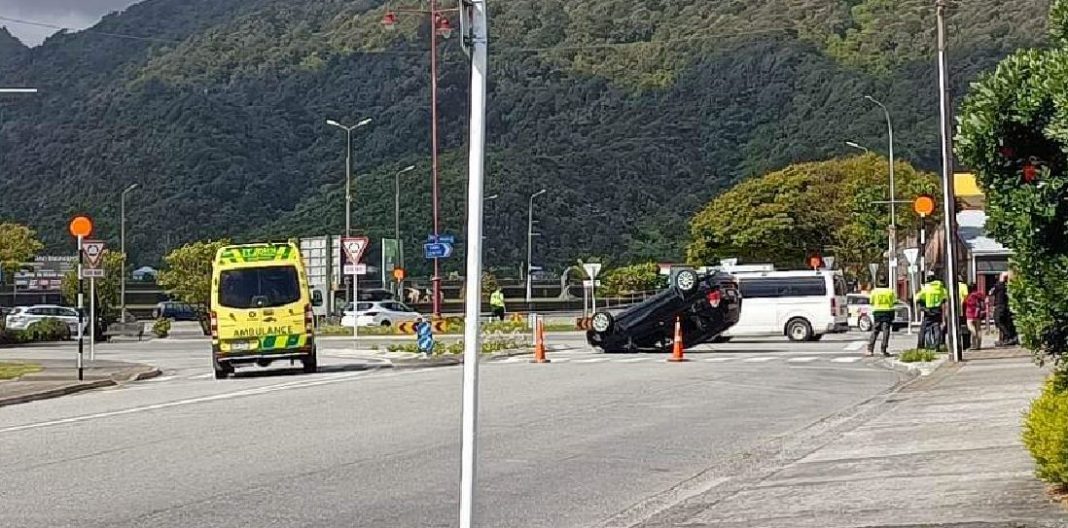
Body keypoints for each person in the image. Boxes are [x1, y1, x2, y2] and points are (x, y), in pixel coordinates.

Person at [916, 272, 948, 349]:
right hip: (938, 310)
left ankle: (920, 346)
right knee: (937, 327)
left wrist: (921, 304)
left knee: (923, 329)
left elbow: (917, 297)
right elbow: (945, 298)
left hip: (928, 310)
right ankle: (937, 346)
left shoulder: (926, 288)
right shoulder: (941, 288)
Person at [867, 284, 897, 357]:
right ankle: (883, 350)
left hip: (877, 313)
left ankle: (870, 350)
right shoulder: (890, 292)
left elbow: (871, 302)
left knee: (875, 331)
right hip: (887, 312)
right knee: (886, 332)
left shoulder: (874, 292)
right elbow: (895, 302)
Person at [989, 272, 1018, 346]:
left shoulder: (999, 285)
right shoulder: (1007, 286)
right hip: (1005, 306)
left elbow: (991, 292)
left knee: (998, 320)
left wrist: (1001, 278)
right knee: (1004, 322)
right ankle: (1006, 338)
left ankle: (1008, 335)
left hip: (1000, 305)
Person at [964, 283, 986, 350]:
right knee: (978, 329)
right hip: (977, 314)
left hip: (970, 315)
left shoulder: (968, 297)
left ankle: (973, 345)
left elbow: (965, 304)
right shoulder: (980, 295)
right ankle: (978, 345)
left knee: (972, 329)